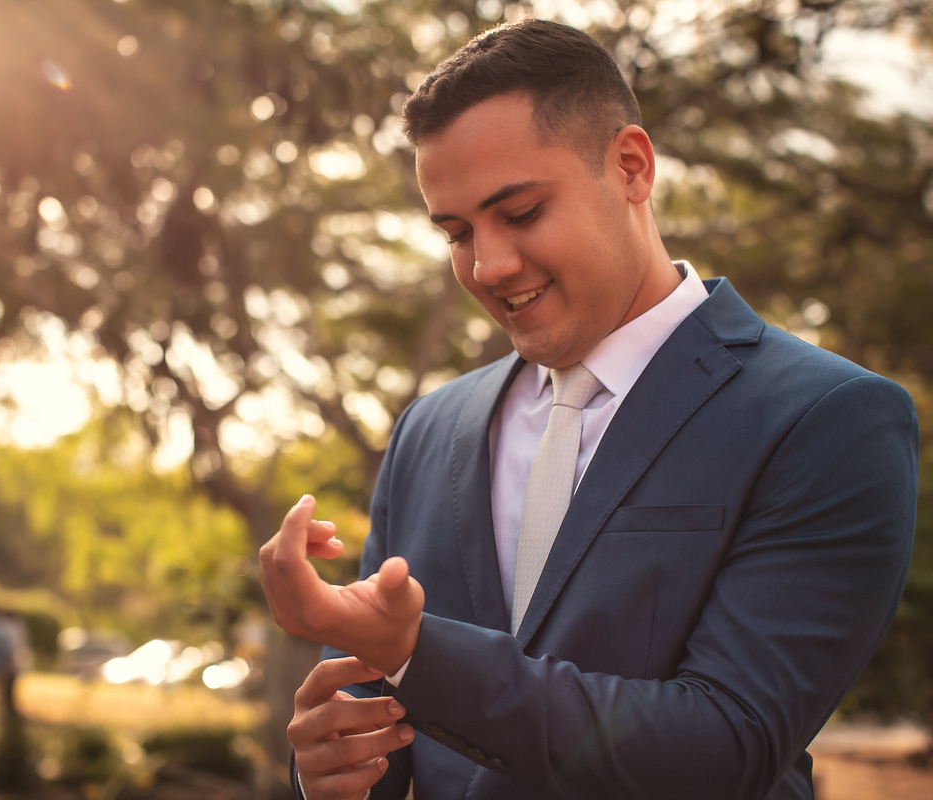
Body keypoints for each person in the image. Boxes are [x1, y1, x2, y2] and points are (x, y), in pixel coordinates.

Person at [257, 19, 918, 800]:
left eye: (523, 212)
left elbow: (727, 746)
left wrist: (416, 653)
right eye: (457, 232)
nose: (489, 265)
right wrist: (335, 773)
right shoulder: (428, 431)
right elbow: (382, 723)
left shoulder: (829, 419)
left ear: (631, 166)